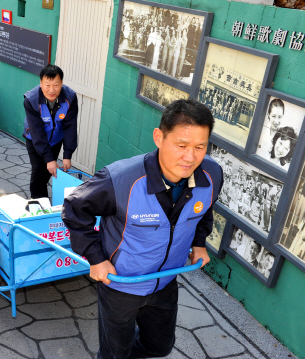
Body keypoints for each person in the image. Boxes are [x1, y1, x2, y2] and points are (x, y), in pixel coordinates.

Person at [62, 99, 223, 359]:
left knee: (159, 347)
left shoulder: (212, 174)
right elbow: (74, 208)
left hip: (166, 281)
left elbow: (204, 209)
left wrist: (200, 242)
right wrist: (96, 259)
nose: (190, 157)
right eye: (181, 145)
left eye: (200, 147)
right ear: (159, 137)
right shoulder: (121, 179)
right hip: (121, 286)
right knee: (115, 354)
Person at [23, 64, 79, 199]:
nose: (51, 90)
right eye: (47, 85)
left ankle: (43, 199)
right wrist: (49, 159)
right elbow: (37, 132)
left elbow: (70, 126)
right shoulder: (31, 100)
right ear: (41, 84)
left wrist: (67, 154)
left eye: (56, 85)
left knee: (48, 171)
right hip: (35, 139)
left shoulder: (70, 97)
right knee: (38, 172)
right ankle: (38, 206)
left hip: (56, 139)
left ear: (62, 83)